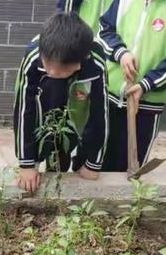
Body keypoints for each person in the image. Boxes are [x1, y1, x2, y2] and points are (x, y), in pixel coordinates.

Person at [14, 12, 108, 193]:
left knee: (72, 136)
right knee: (49, 133)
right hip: (46, 97)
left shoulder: (94, 63)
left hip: (79, 97)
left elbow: (100, 113)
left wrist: (94, 163)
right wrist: (26, 164)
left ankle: (73, 162)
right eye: (48, 64)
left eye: (60, 68)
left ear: (80, 61)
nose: (50, 70)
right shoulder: (34, 58)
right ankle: (47, 161)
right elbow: (24, 110)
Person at [99, 0, 166, 171]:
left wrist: (145, 84)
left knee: (130, 165)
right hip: (110, 93)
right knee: (99, 158)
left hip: (147, 101)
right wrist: (122, 53)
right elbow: (105, 29)